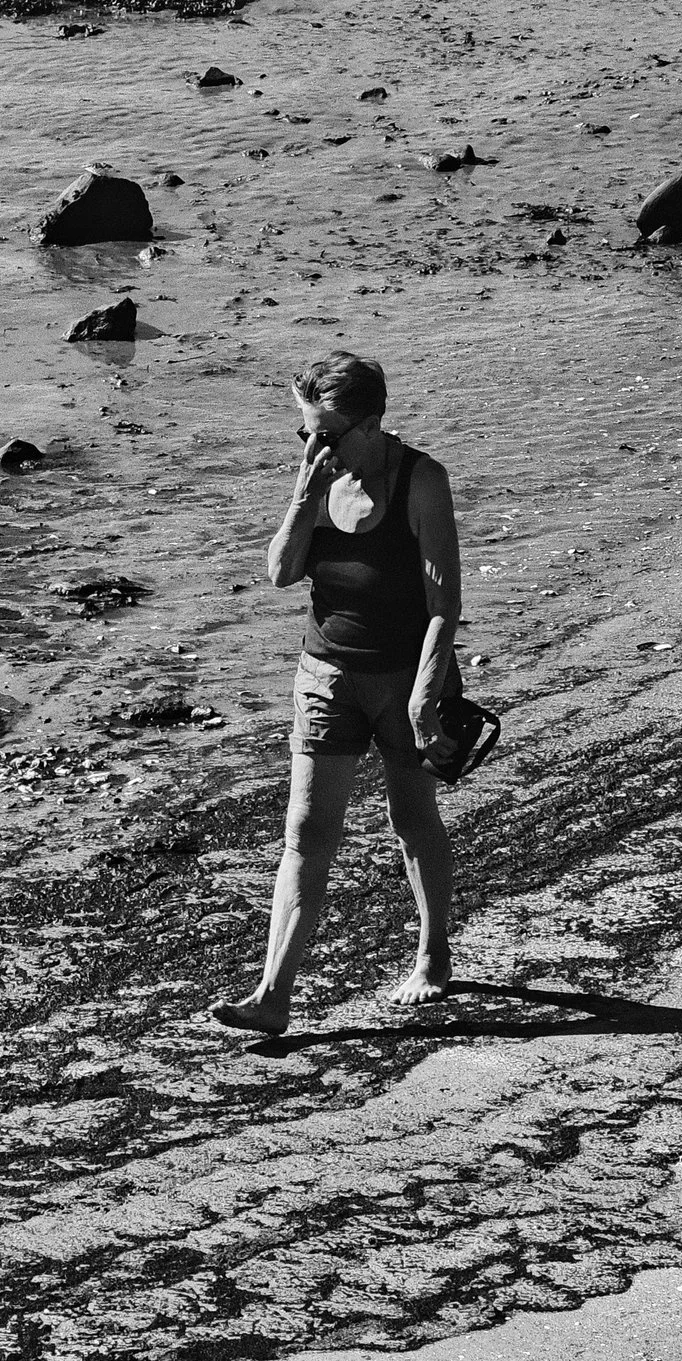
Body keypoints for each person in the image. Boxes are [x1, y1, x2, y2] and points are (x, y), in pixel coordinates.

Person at [210, 351, 462, 1036]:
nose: (313, 445)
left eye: (325, 432)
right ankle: (273, 995)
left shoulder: (421, 481)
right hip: (325, 677)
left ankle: (433, 953)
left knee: (411, 818)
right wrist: (303, 494)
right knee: (306, 829)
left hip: (405, 677)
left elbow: (444, 606)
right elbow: (280, 572)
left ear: (372, 424)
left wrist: (425, 696)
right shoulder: (318, 479)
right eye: (305, 431)